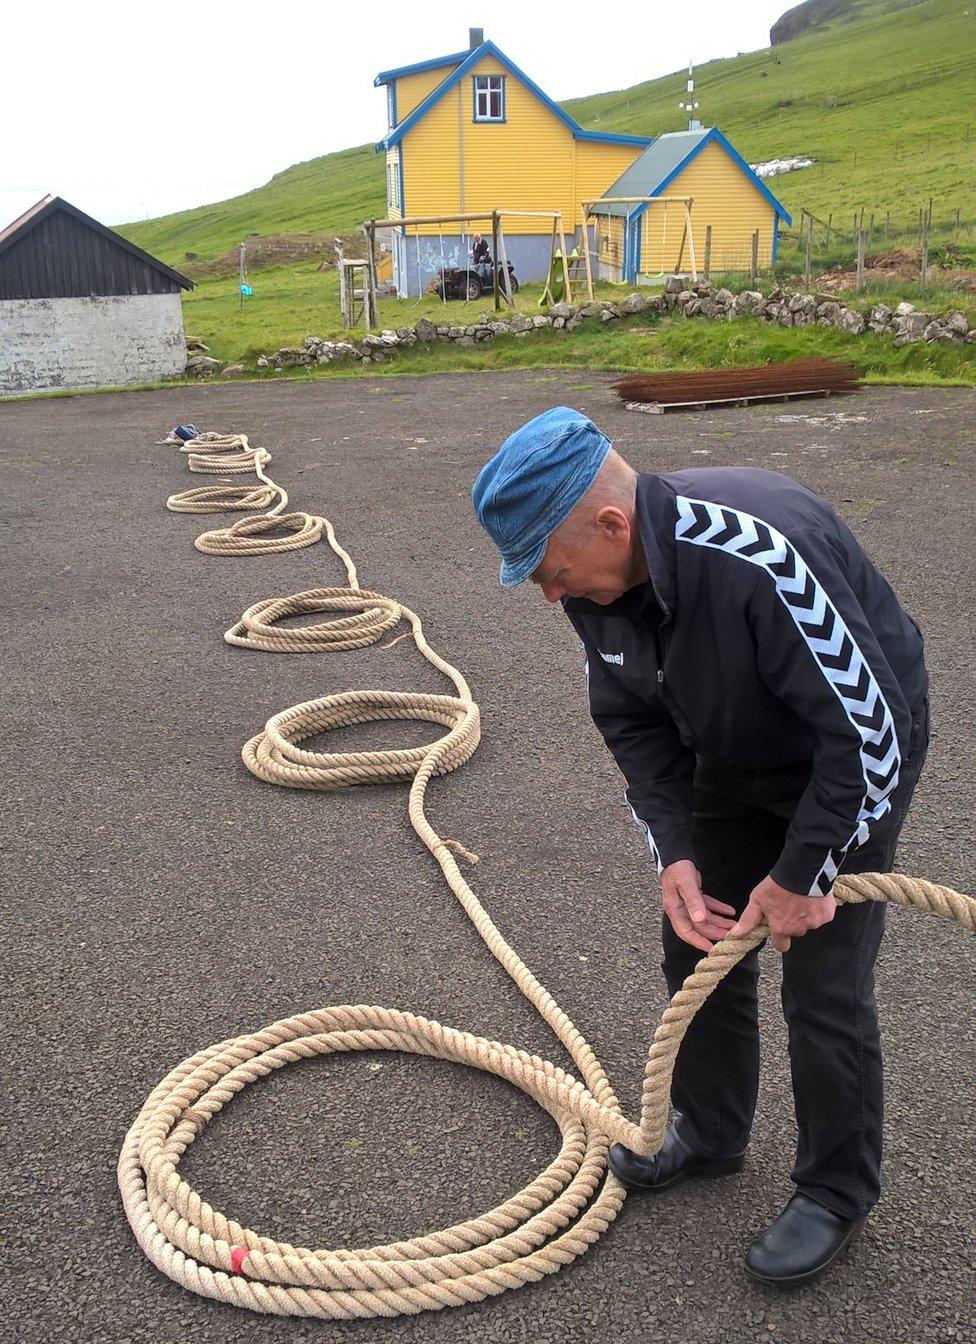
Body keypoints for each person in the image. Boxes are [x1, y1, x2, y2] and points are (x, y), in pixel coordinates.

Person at [471, 406, 929, 1285]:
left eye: (553, 573)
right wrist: (673, 852)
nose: (550, 596)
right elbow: (631, 724)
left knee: (823, 983)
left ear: (612, 524)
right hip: (729, 752)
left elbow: (869, 738)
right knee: (698, 941)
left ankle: (835, 1189)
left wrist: (804, 874)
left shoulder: (760, 554)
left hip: (850, 753)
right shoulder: (597, 589)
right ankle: (711, 1132)